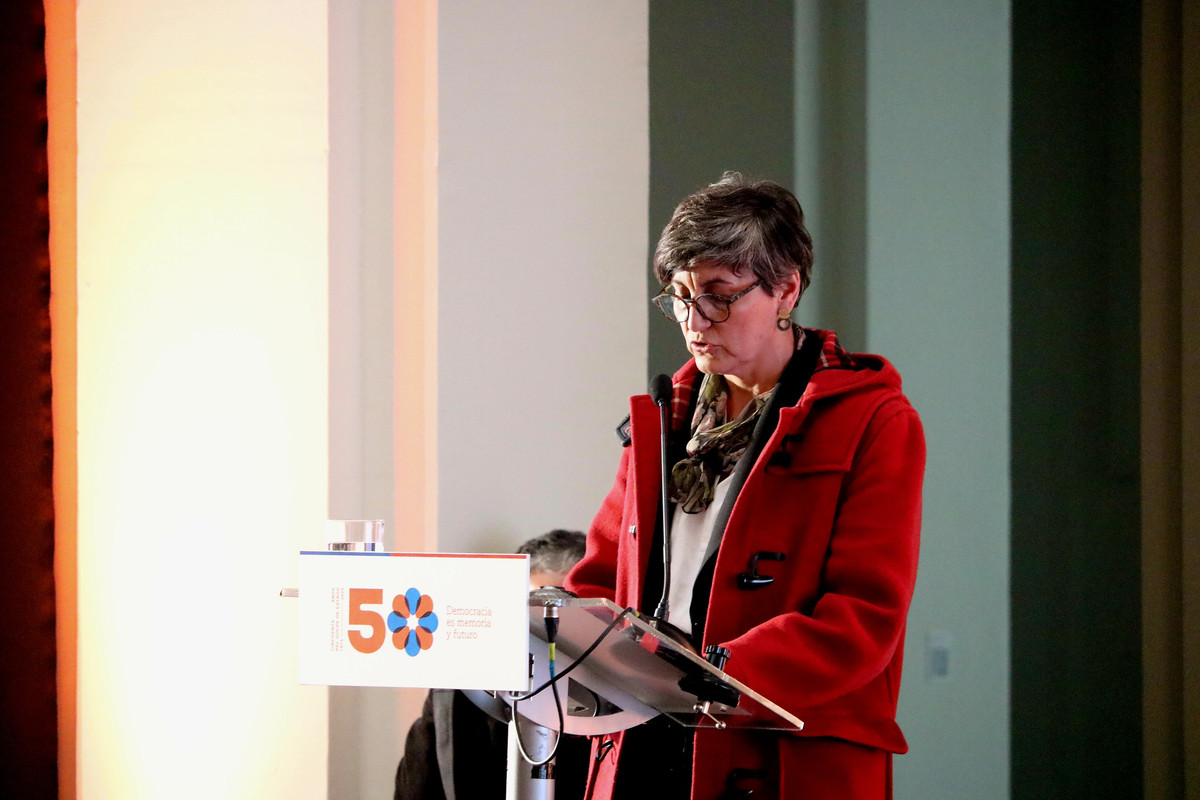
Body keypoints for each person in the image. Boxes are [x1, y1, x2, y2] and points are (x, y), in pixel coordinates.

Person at [565, 173, 926, 800]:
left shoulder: (874, 420)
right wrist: (558, 634)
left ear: (786, 289)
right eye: (680, 296)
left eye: (719, 296)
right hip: (645, 739)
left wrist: (721, 670)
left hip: (778, 754)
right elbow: (599, 581)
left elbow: (865, 616)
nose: (693, 320)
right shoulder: (665, 417)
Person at [394, 529, 589, 800]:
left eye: (563, 612)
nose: (548, 630)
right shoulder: (460, 696)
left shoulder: (622, 706)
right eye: (533, 609)